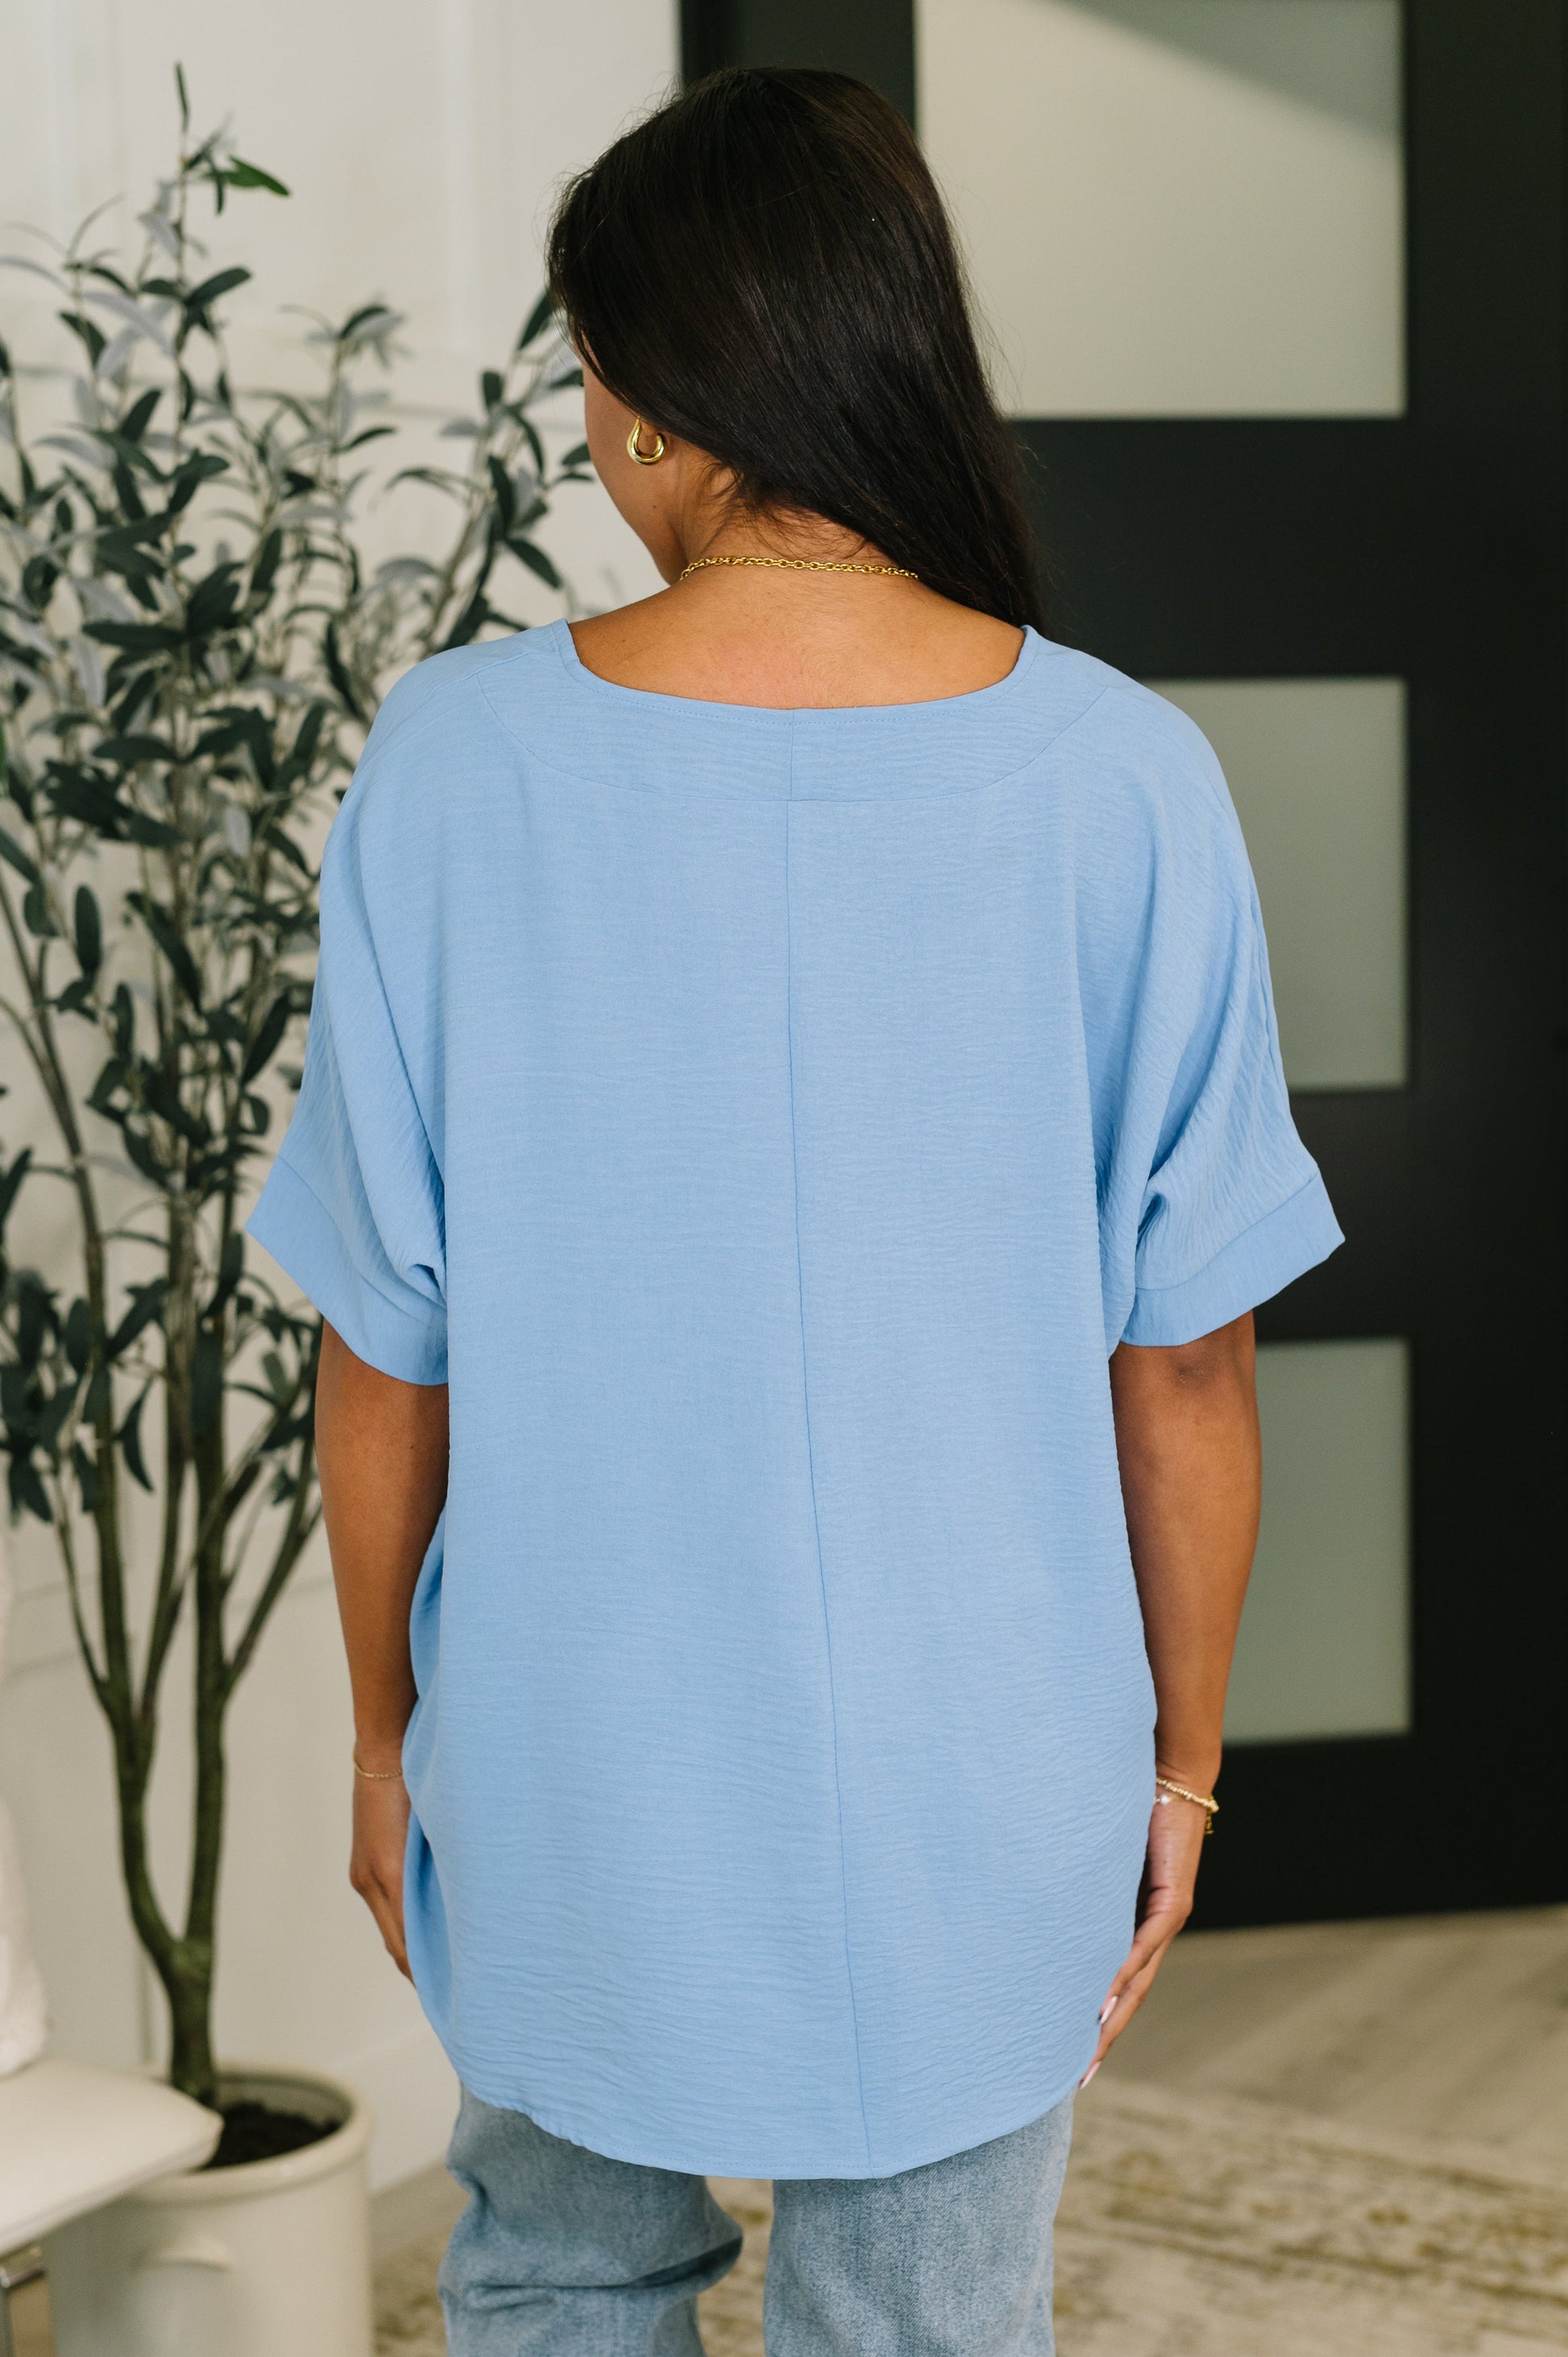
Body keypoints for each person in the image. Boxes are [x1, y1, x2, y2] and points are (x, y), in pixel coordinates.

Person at [248, 64, 1341, 2357]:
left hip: (563, 1756)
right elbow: (1190, 1365)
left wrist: (382, 1741)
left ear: (653, 397)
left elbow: (384, 1346)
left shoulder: (452, 764)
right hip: (982, 1782)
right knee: (925, 2323)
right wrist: (1179, 1765)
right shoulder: (1127, 781)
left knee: (558, 2283)